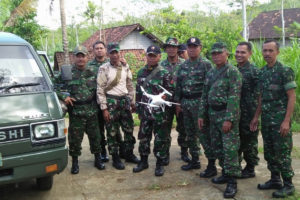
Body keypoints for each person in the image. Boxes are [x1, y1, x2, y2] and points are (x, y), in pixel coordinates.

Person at [250, 39, 296, 198]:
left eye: (271, 51)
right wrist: (256, 116)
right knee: (269, 152)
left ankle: (289, 185)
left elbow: (291, 97)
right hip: (267, 120)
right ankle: (275, 179)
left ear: (277, 52)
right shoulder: (262, 72)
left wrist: (286, 121)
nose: (267, 54)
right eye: (265, 51)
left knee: (282, 152)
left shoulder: (285, 71)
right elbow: (261, 97)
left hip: (280, 120)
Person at [198, 42, 242, 198]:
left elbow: (234, 97)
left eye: (219, 53)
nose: (216, 56)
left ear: (226, 54)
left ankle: (232, 182)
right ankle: (224, 173)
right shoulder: (211, 72)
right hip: (212, 114)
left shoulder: (232, 72)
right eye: (213, 54)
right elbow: (205, 94)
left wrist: (229, 119)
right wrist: (202, 115)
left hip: (226, 115)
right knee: (217, 147)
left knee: (230, 149)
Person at [55, 45, 105, 174]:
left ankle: (98, 159)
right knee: (75, 139)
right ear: (74, 57)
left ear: (87, 57)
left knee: (96, 137)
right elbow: (54, 86)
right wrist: (64, 96)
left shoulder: (95, 71)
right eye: (78, 56)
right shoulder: (67, 72)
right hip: (76, 112)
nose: (80, 58)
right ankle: (75, 163)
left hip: (92, 110)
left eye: (83, 56)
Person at [174, 37, 214, 174]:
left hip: (200, 103)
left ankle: (211, 164)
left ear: (200, 48)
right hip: (186, 103)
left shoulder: (206, 64)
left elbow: (210, 87)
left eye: (195, 47)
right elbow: (179, 85)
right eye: (189, 47)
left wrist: (206, 107)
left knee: (203, 134)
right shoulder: (183, 66)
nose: (192, 49)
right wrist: (178, 102)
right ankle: (195, 160)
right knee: (190, 134)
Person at [97, 43, 139, 170]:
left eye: (116, 52)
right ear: (108, 54)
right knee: (112, 131)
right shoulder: (104, 68)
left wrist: (132, 101)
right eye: (112, 53)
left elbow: (130, 85)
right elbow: (100, 89)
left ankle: (129, 154)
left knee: (129, 129)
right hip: (111, 102)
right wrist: (104, 108)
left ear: (119, 53)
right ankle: (115, 157)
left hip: (124, 101)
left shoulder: (125, 67)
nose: (114, 55)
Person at [133, 45, 173, 176]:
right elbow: (138, 93)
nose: (151, 58)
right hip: (145, 112)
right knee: (144, 137)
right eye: (149, 55)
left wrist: (160, 100)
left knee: (160, 138)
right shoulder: (140, 72)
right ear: (146, 56)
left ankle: (159, 164)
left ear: (159, 57)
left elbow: (170, 92)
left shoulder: (164, 73)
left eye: (154, 56)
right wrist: (138, 109)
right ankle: (143, 161)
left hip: (159, 113)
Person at [160, 37, 188, 165]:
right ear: (166, 49)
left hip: (181, 102)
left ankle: (184, 152)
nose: (171, 49)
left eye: (174, 47)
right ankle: (165, 154)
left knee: (183, 128)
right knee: (165, 128)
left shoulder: (185, 64)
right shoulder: (160, 66)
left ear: (177, 49)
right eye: (169, 47)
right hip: (166, 102)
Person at [235, 42, 260, 178]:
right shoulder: (233, 69)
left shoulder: (254, 71)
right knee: (237, 141)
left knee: (250, 142)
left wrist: (256, 117)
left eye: (243, 52)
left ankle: (250, 168)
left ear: (250, 54)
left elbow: (260, 95)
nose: (239, 55)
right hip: (236, 113)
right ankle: (236, 166)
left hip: (249, 114)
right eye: (237, 52)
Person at [88, 41, 109, 162]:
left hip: (111, 101)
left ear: (105, 50)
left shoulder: (111, 63)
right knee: (99, 128)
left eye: (101, 48)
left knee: (113, 128)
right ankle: (102, 151)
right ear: (93, 50)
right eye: (97, 48)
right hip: (95, 102)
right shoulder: (89, 66)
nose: (99, 50)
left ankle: (120, 151)